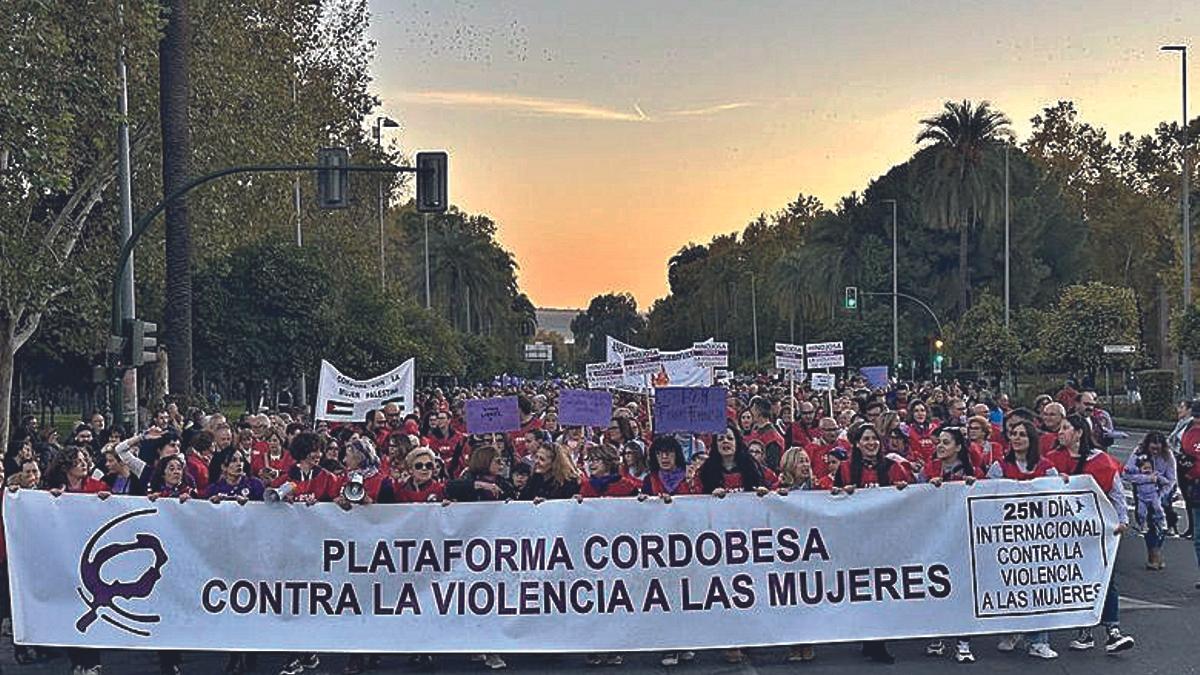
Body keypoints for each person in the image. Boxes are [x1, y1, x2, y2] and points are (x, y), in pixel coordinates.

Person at [1047, 414, 1135, 654]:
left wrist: (1122, 521)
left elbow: (1116, 493)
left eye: (1066, 428)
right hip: (1065, 533)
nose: (1060, 432)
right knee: (1077, 579)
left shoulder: (1101, 461)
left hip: (1098, 530)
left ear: (1079, 433)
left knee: (1107, 578)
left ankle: (1112, 630)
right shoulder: (1052, 461)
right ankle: (1084, 630)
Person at [831, 423, 911, 664]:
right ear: (856, 443)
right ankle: (869, 638)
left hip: (885, 539)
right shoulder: (845, 468)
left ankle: (877, 641)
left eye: (874, 439)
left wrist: (902, 489)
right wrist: (841, 492)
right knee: (863, 590)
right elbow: (832, 498)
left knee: (880, 590)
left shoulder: (892, 467)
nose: (871, 443)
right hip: (856, 539)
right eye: (865, 439)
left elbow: (907, 498)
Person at [989, 419, 1059, 659]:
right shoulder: (999, 467)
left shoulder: (1046, 467)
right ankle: (1011, 630)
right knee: (1009, 586)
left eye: (1022, 435)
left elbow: (1057, 498)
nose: (1016, 438)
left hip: (1038, 540)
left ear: (1032, 441)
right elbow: (988, 499)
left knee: (1038, 588)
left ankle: (1039, 640)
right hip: (1007, 538)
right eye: (1013, 434)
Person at [917, 427, 979, 664]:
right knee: (935, 588)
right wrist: (926, 488)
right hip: (934, 539)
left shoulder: (972, 471)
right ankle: (937, 635)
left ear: (958, 447)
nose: (940, 446)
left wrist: (972, 485)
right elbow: (913, 496)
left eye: (946, 442)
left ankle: (963, 642)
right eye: (938, 442)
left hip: (962, 539)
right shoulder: (929, 469)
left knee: (963, 591)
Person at [1123, 433, 1175, 570]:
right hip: (1142, 491)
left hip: (1161, 492)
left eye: (1159, 446)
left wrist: (1161, 495)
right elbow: (1126, 474)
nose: (1156, 449)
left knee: (1160, 522)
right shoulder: (1138, 453)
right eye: (1153, 446)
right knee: (1147, 522)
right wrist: (1146, 479)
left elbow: (1171, 479)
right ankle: (1153, 554)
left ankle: (1155, 552)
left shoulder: (1168, 456)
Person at [642, 436, 695, 501]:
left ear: (677, 454)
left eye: (669, 452)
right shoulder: (649, 480)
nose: (664, 457)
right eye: (658, 453)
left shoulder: (691, 477)